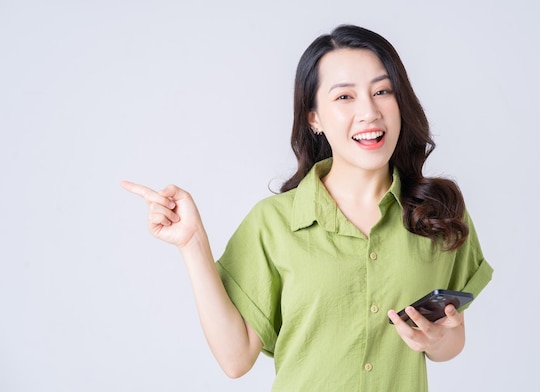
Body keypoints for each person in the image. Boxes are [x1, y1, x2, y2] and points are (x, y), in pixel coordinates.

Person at [122, 24, 493, 391]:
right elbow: (235, 360)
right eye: (344, 97)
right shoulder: (274, 223)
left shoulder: (438, 214)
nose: (369, 112)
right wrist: (193, 245)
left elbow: (451, 343)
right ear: (314, 117)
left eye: (382, 91)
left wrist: (437, 339)